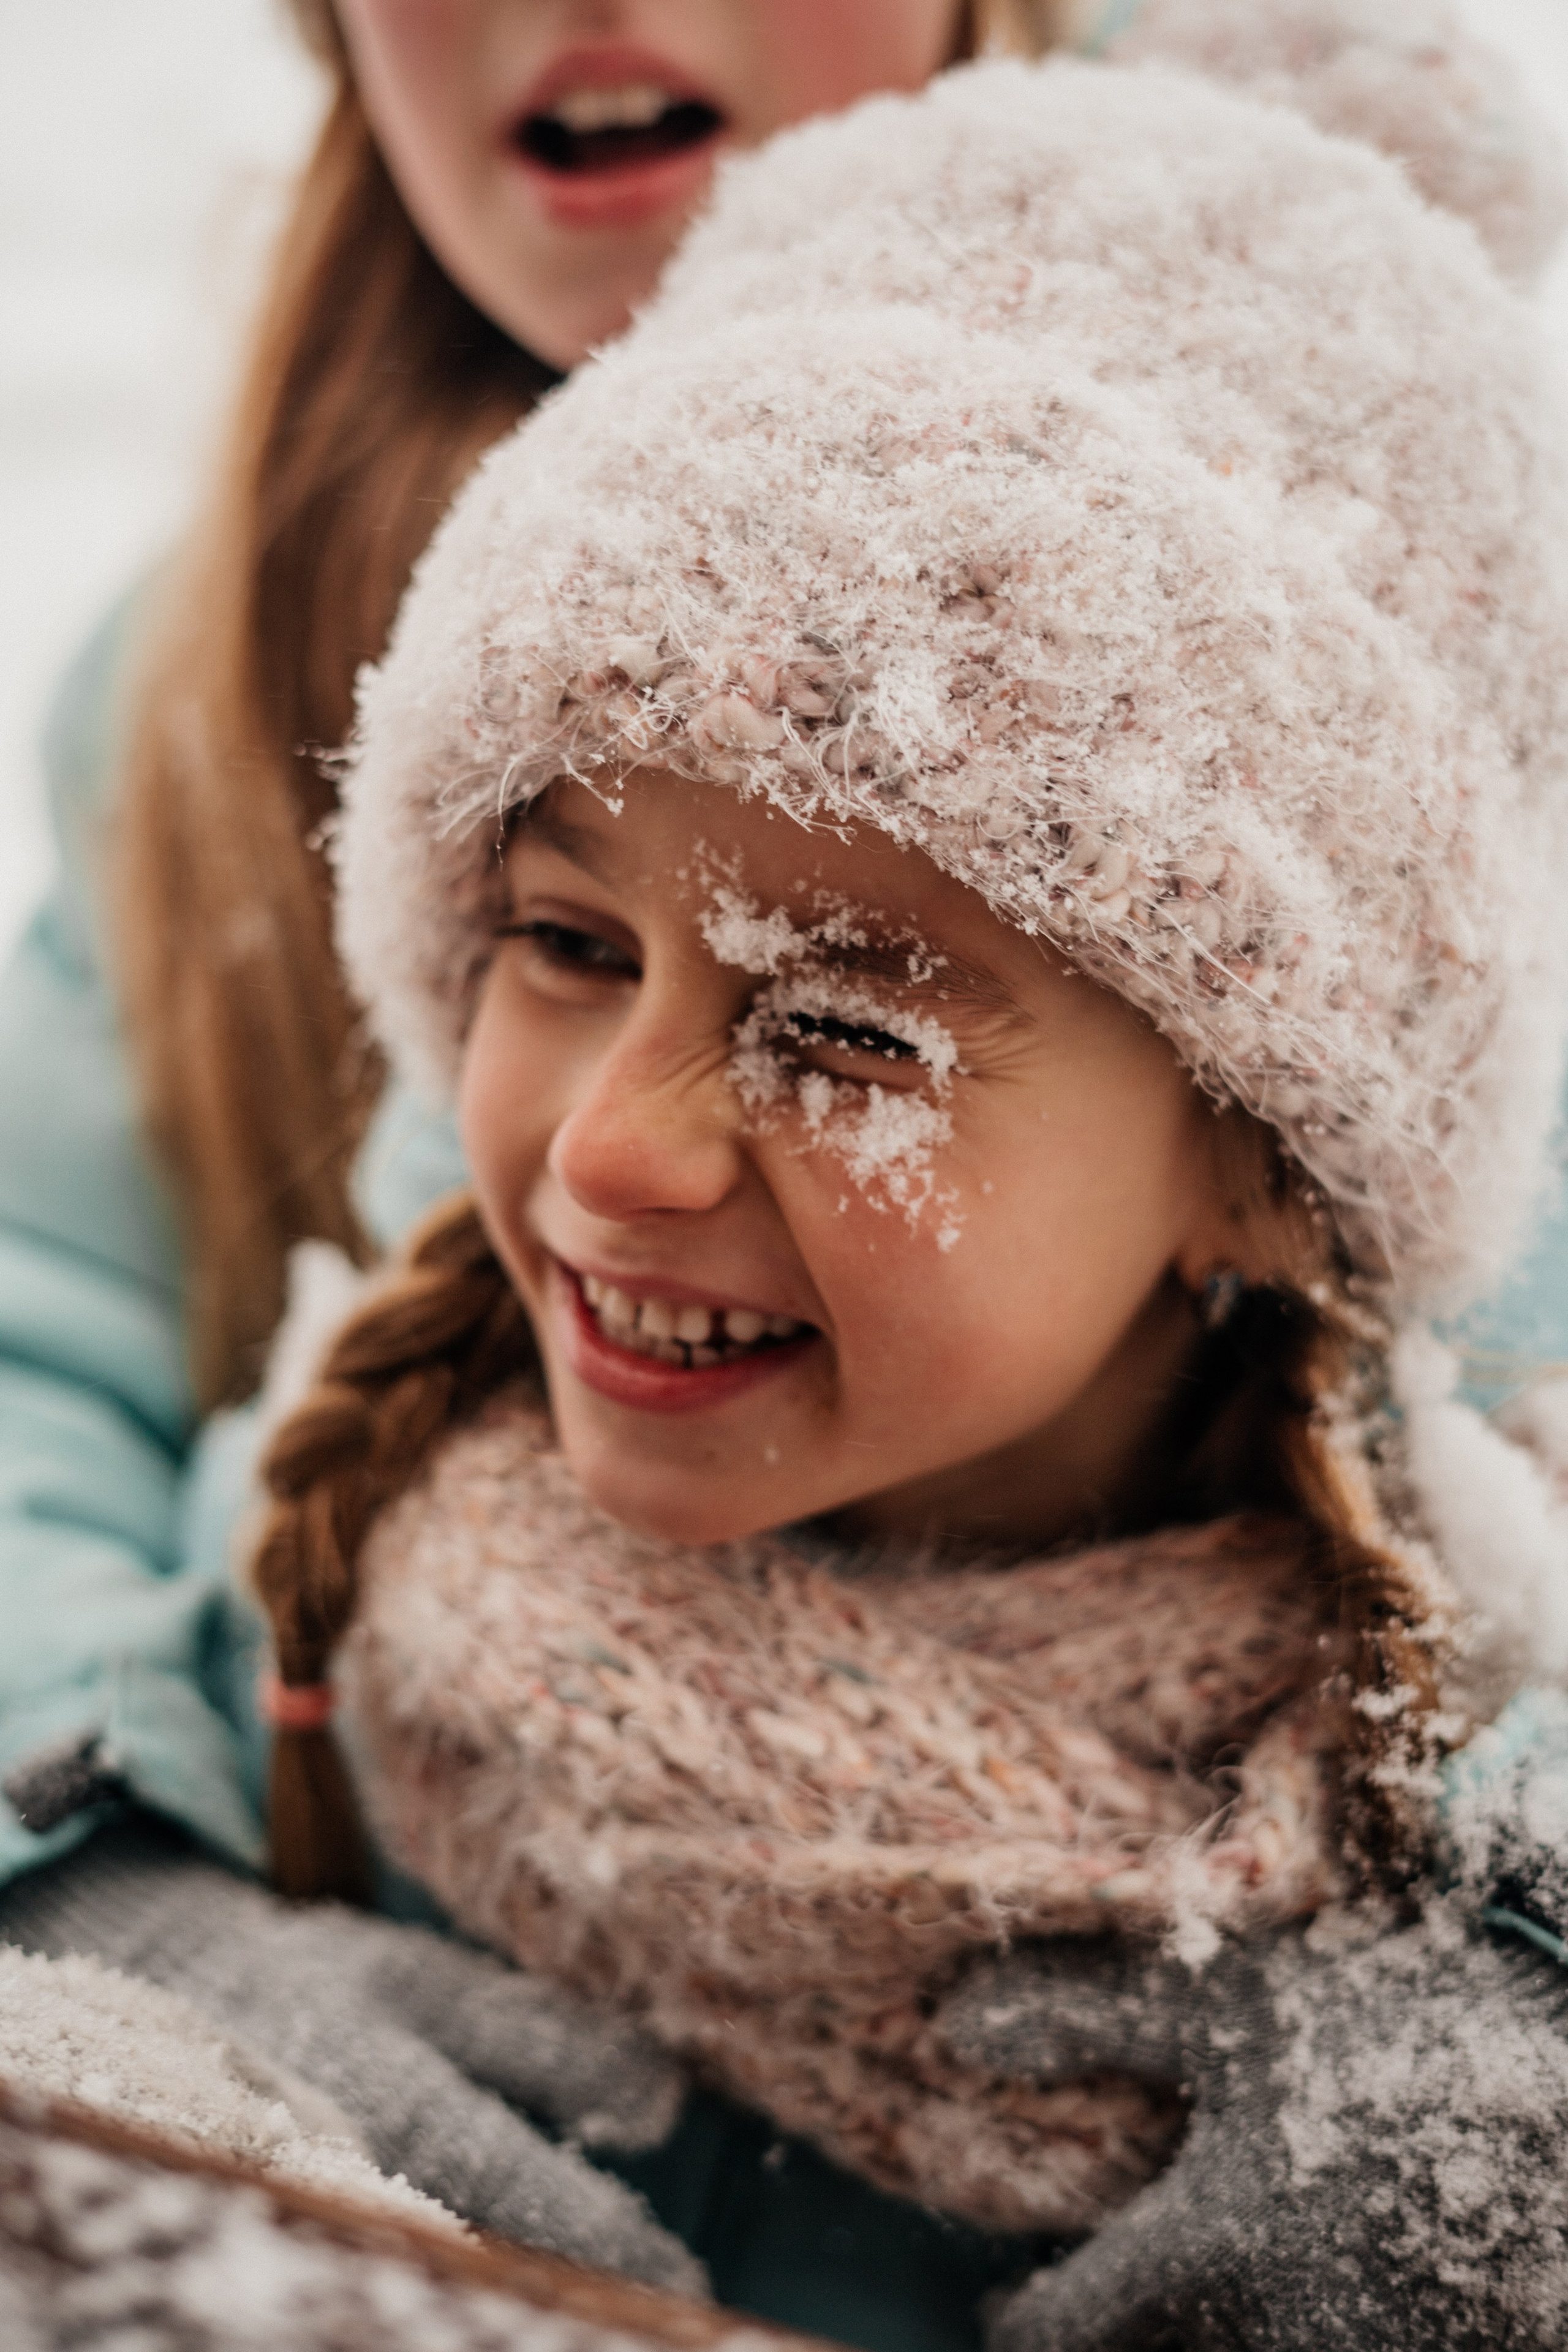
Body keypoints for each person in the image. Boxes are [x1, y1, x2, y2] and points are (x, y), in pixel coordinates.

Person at [5, 6, 1568, 2349]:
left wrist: (1516, 2005)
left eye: (848, 1030)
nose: (619, 1149)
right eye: (551, 941)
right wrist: (96, 1895)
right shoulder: (326, 1629)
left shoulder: (1396, 627)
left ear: (1273, 1150)